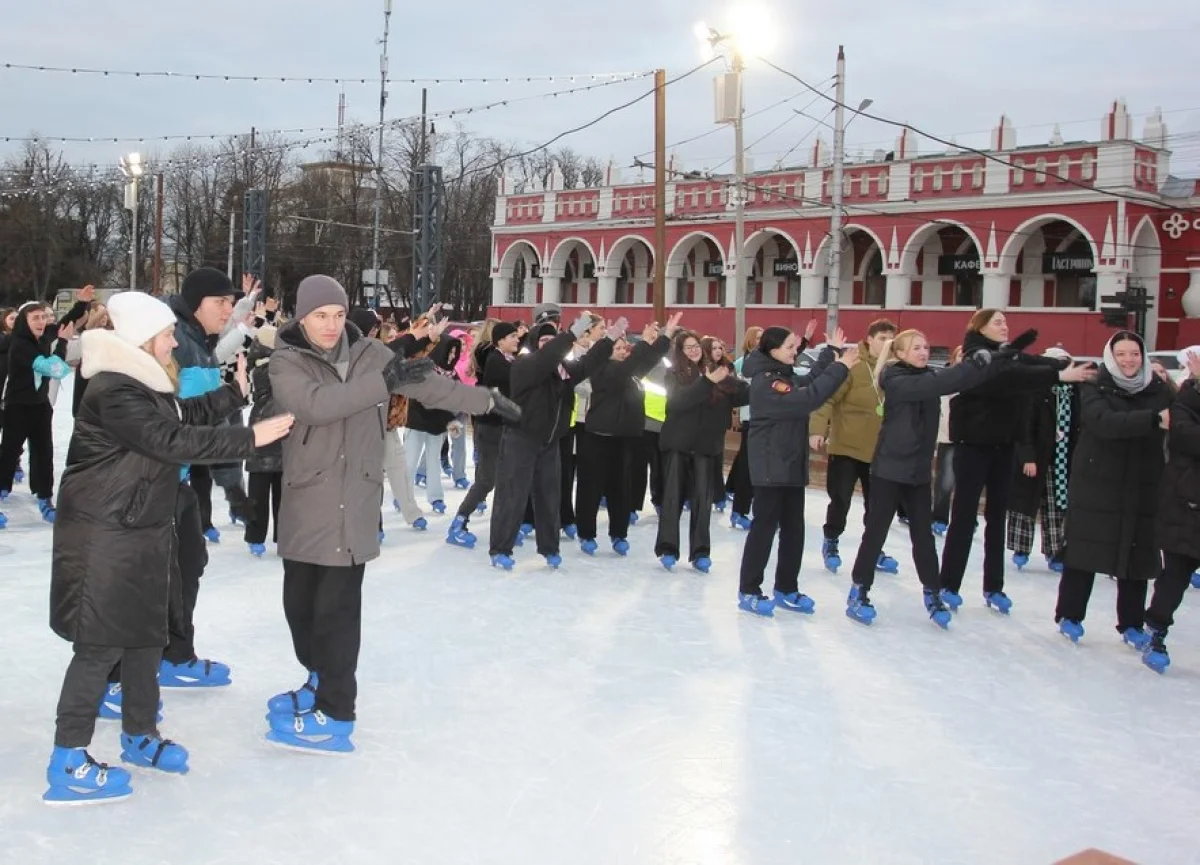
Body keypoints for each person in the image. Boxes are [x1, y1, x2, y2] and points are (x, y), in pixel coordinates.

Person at [44, 291, 294, 804]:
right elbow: (173, 441)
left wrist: (233, 394)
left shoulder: (143, 382)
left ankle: (139, 734)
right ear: (140, 338)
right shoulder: (113, 390)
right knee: (99, 647)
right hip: (103, 534)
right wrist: (252, 438)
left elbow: (181, 413)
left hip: (139, 527)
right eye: (164, 334)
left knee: (144, 637)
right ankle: (67, 759)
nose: (171, 340)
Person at [264, 275, 518, 753]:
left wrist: (485, 401)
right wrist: (381, 383)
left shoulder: (369, 354)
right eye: (321, 315)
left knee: (338, 614)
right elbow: (317, 406)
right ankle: (319, 680)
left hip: (354, 501)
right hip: (306, 501)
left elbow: (429, 387)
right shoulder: (286, 360)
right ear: (302, 317)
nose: (331, 325)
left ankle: (337, 713)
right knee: (301, 609)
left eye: (339, 315)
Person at [938, 310, 1093, 615]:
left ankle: (994, 586)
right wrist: (1058, 375)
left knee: (998, 517)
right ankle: (949, 583)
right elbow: (1006, 379)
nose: (1004, 326)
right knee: (964, 516)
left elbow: (1028, 362)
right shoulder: (976, 356)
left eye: (1006, 321)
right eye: (997, 322)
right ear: (979, 327)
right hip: (973, 446)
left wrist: (1060, 363)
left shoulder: (1006, 355)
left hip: (1004, 445)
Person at [844, 330, 1000, 627]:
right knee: (876, 532)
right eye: (916, 347)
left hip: (917, 472)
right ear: (900, 353)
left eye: (926, 346)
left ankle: (932, 591)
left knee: (924, 537)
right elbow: (943, 382)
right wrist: (972, 365)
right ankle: (859, 589)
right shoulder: (895, 379)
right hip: (889, 470)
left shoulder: (929, 376)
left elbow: (956, 381)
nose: (923, 351)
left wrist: (991, 360)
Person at [1055, 330, 1174, 646]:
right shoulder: (1095, 384)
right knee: (1085, 548)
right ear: (1111, 356)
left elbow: (1182, 415)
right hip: (1098, 480)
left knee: (1136, 551)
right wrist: (1152, 420)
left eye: (1134, 353)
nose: (1128, 360)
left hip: (1143, 481)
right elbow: (1103, 421)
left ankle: (1132, 623)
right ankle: (1070, 614)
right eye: (1121, 354)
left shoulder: (1159, 388)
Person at [737, 327, 856, 616]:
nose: (795, 350)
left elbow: (809, 380)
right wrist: (840, 367)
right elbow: (807, 399)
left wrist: (829, 352)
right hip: (770, 466)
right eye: (790, 346)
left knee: (794, 530)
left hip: (790, 463)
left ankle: (786, 587)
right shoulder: (766, 383)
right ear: (772, 350)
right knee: (764, 529)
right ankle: (749, 589)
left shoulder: (783, 375)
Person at [488, 315, 619, 571]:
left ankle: (549, 547)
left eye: (552, 340)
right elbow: (546, 358)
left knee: (549, 495)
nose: (548, 345)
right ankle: (501, 548)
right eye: (544, 340)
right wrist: (571, 333)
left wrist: (609, 340)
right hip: (521, 438)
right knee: (513, 495)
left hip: (550, 441)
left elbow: (589, 363)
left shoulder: (564, 371)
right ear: (537, 344)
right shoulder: (526, 364)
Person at [575, 316, 677, 557]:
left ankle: (618, 533)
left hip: (626, 437)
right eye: (618, 348)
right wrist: (644, 342)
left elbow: (649, 360)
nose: (623, 352)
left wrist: (665, 337)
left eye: (625, 348)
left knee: (621, 487)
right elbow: (627, 367)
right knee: (591, 486)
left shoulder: (631, 373)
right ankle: (587, 533)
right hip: (598, 436)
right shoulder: (601, 369)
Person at [809, 319, 900, 575]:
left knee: (878, 505)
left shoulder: (894, 368)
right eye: (882, 338)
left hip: (880, 451)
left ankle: (874, 549)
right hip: (846, 447)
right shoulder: (854, 365)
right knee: (840, 499)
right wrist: (817, 429)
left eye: (891, 340)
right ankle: (832, 541)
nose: (887, 344)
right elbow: (828, 398)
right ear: (869, 339)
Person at [656, 329, 749, 572]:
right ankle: (668, 547)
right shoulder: (674, 373)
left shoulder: (717, 372)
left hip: (706, 446)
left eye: (696, 345)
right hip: (678, 444)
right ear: (680, 351)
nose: (694, 349)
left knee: (702, 500)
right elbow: (678, 402)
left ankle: (700, 551)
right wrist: (707, 381)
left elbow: (741, 393)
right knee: (673, 498)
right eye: (688, 347)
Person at [1142, 349, 1200, 673]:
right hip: (1186, 503)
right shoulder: (1184, 401)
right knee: (1175, 575)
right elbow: (1187, 437)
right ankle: (1157, 628)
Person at [1006, 347, 1081, 573]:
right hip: (1036, 457)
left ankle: (1056, 551)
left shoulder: (1076, 391)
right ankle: (1021, 547)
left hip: (1062, 457)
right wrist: (1027, 456)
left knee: (1057, 506)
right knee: (1025, 504)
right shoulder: (1035, 390)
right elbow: (1024, 425)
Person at [448, 321, 521, 548]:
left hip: (503, 426)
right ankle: (459, 522)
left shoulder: (504, 358)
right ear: (499, 340)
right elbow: (513, 381)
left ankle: (505, 526)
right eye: (512, 336)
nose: (517, 339)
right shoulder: (495, 361)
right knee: (487, 480)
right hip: (491, 428)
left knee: (505, 479)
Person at [0, 302, 72, 522]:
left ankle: (45, 499)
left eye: (43, 317)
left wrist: (82, 303)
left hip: (40, 407)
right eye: (36, 318)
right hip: (18, 407)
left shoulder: (40, 339)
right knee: (9, 454)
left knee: (44, 453)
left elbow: (62, 324)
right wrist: (63, 343)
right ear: (25, 321)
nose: (42, 322)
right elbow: (55, 369)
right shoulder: (20, 344)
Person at [404, 334, 465, 514]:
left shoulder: (452, 374)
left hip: (438, 424)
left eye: (455, 352)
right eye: (450, 351)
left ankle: (436, 497)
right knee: (410, 461)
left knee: (434, 460)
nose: (452, 356)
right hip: (417, 422)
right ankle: (404, 496)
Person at [244, 324, 284, 557]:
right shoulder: (264, 367)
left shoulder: (277, 363)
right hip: (266, 431)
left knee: (281, 490)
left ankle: (282, 535)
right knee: (260, 490)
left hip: (276, 429)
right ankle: (255, 536)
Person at [725, 326, 764, 530]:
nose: (760, 340)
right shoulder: (746, 362)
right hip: (751, 418)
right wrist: (736, 416)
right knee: (748, 466)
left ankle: (754, 507)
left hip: (766, 420)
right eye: (757, 337)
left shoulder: (768, 361)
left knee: (753, 465)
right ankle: (739, 510)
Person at [931, 345, 964, 535]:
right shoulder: (944, 378)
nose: (963, 358)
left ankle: (966, 519)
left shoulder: (976, 379)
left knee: (967, 483)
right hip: (948, 437)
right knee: (945, 481)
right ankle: (939, 517)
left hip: (969, 439)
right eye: (960, 354)